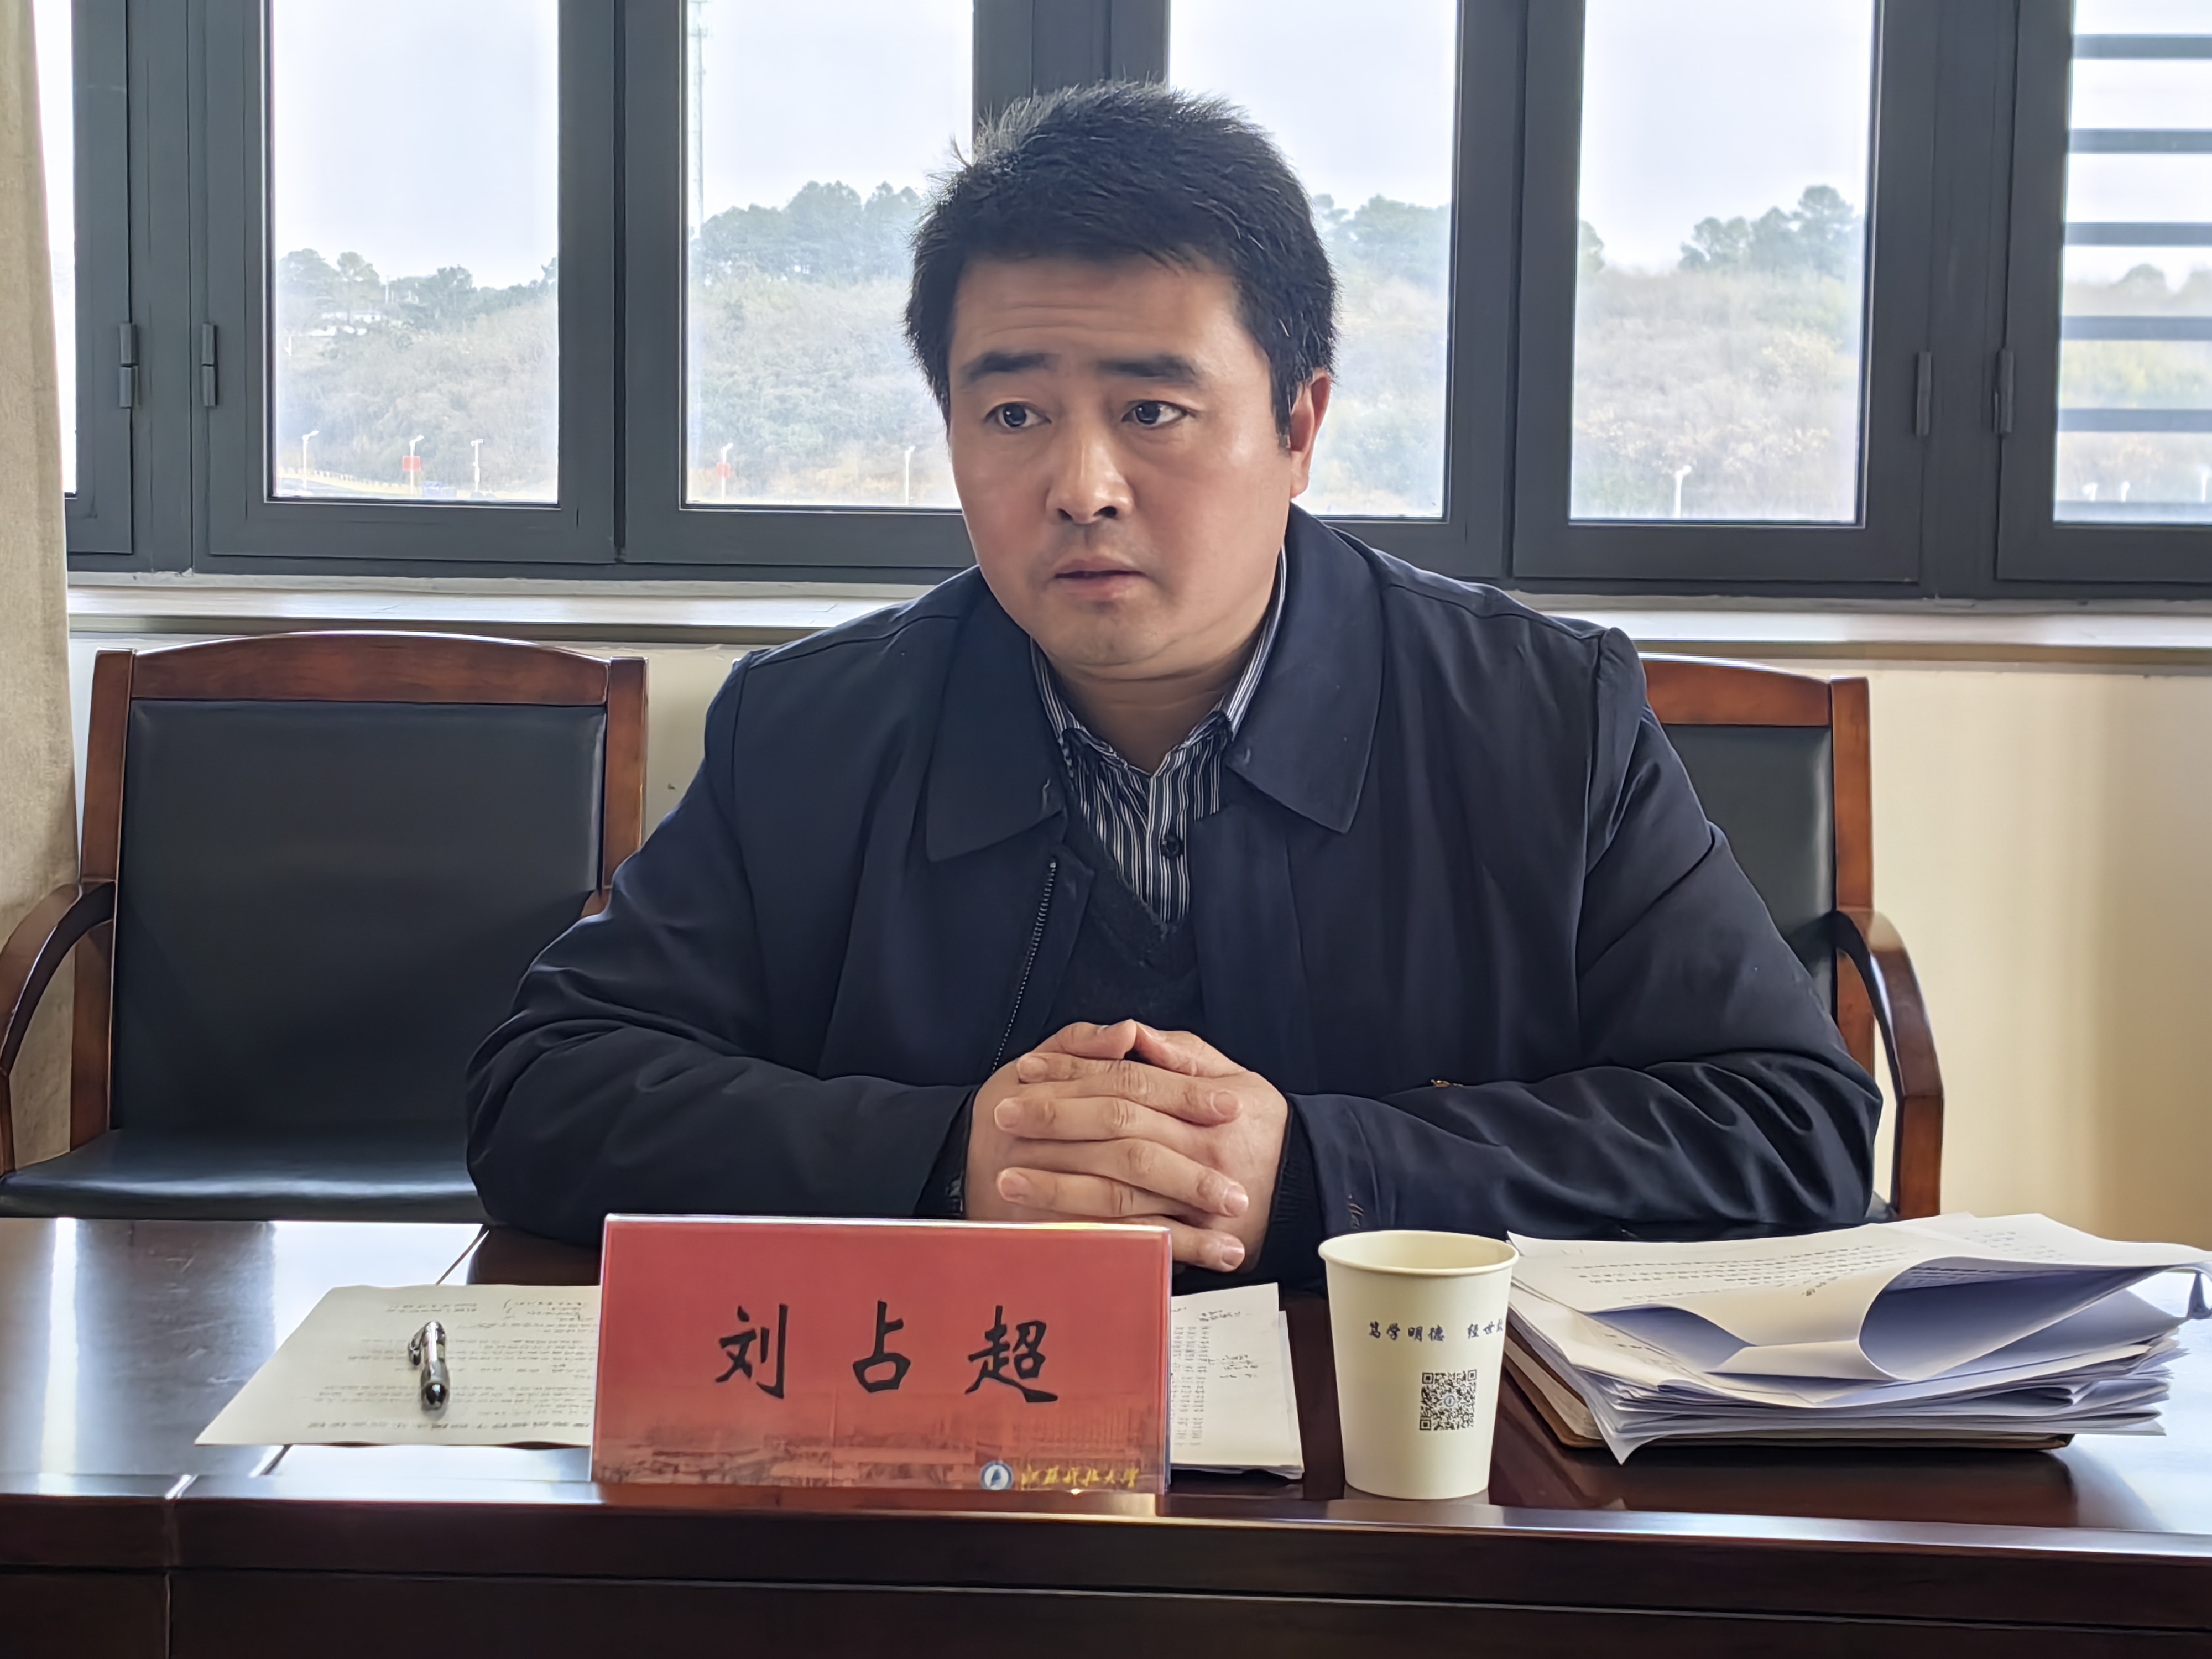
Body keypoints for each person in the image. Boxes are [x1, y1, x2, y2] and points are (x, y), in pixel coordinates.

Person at [466, 83, 1880, 1282]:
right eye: (1012, 412)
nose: (1080, 486)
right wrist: (949, 1157)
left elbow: (1788, 1124)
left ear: (1299, 422)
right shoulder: (810, 729)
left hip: (1404, 1470)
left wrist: (1320, 1173)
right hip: (951, 1462)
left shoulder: (1541, 720)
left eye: (1153, 409)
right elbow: (546, 1088)